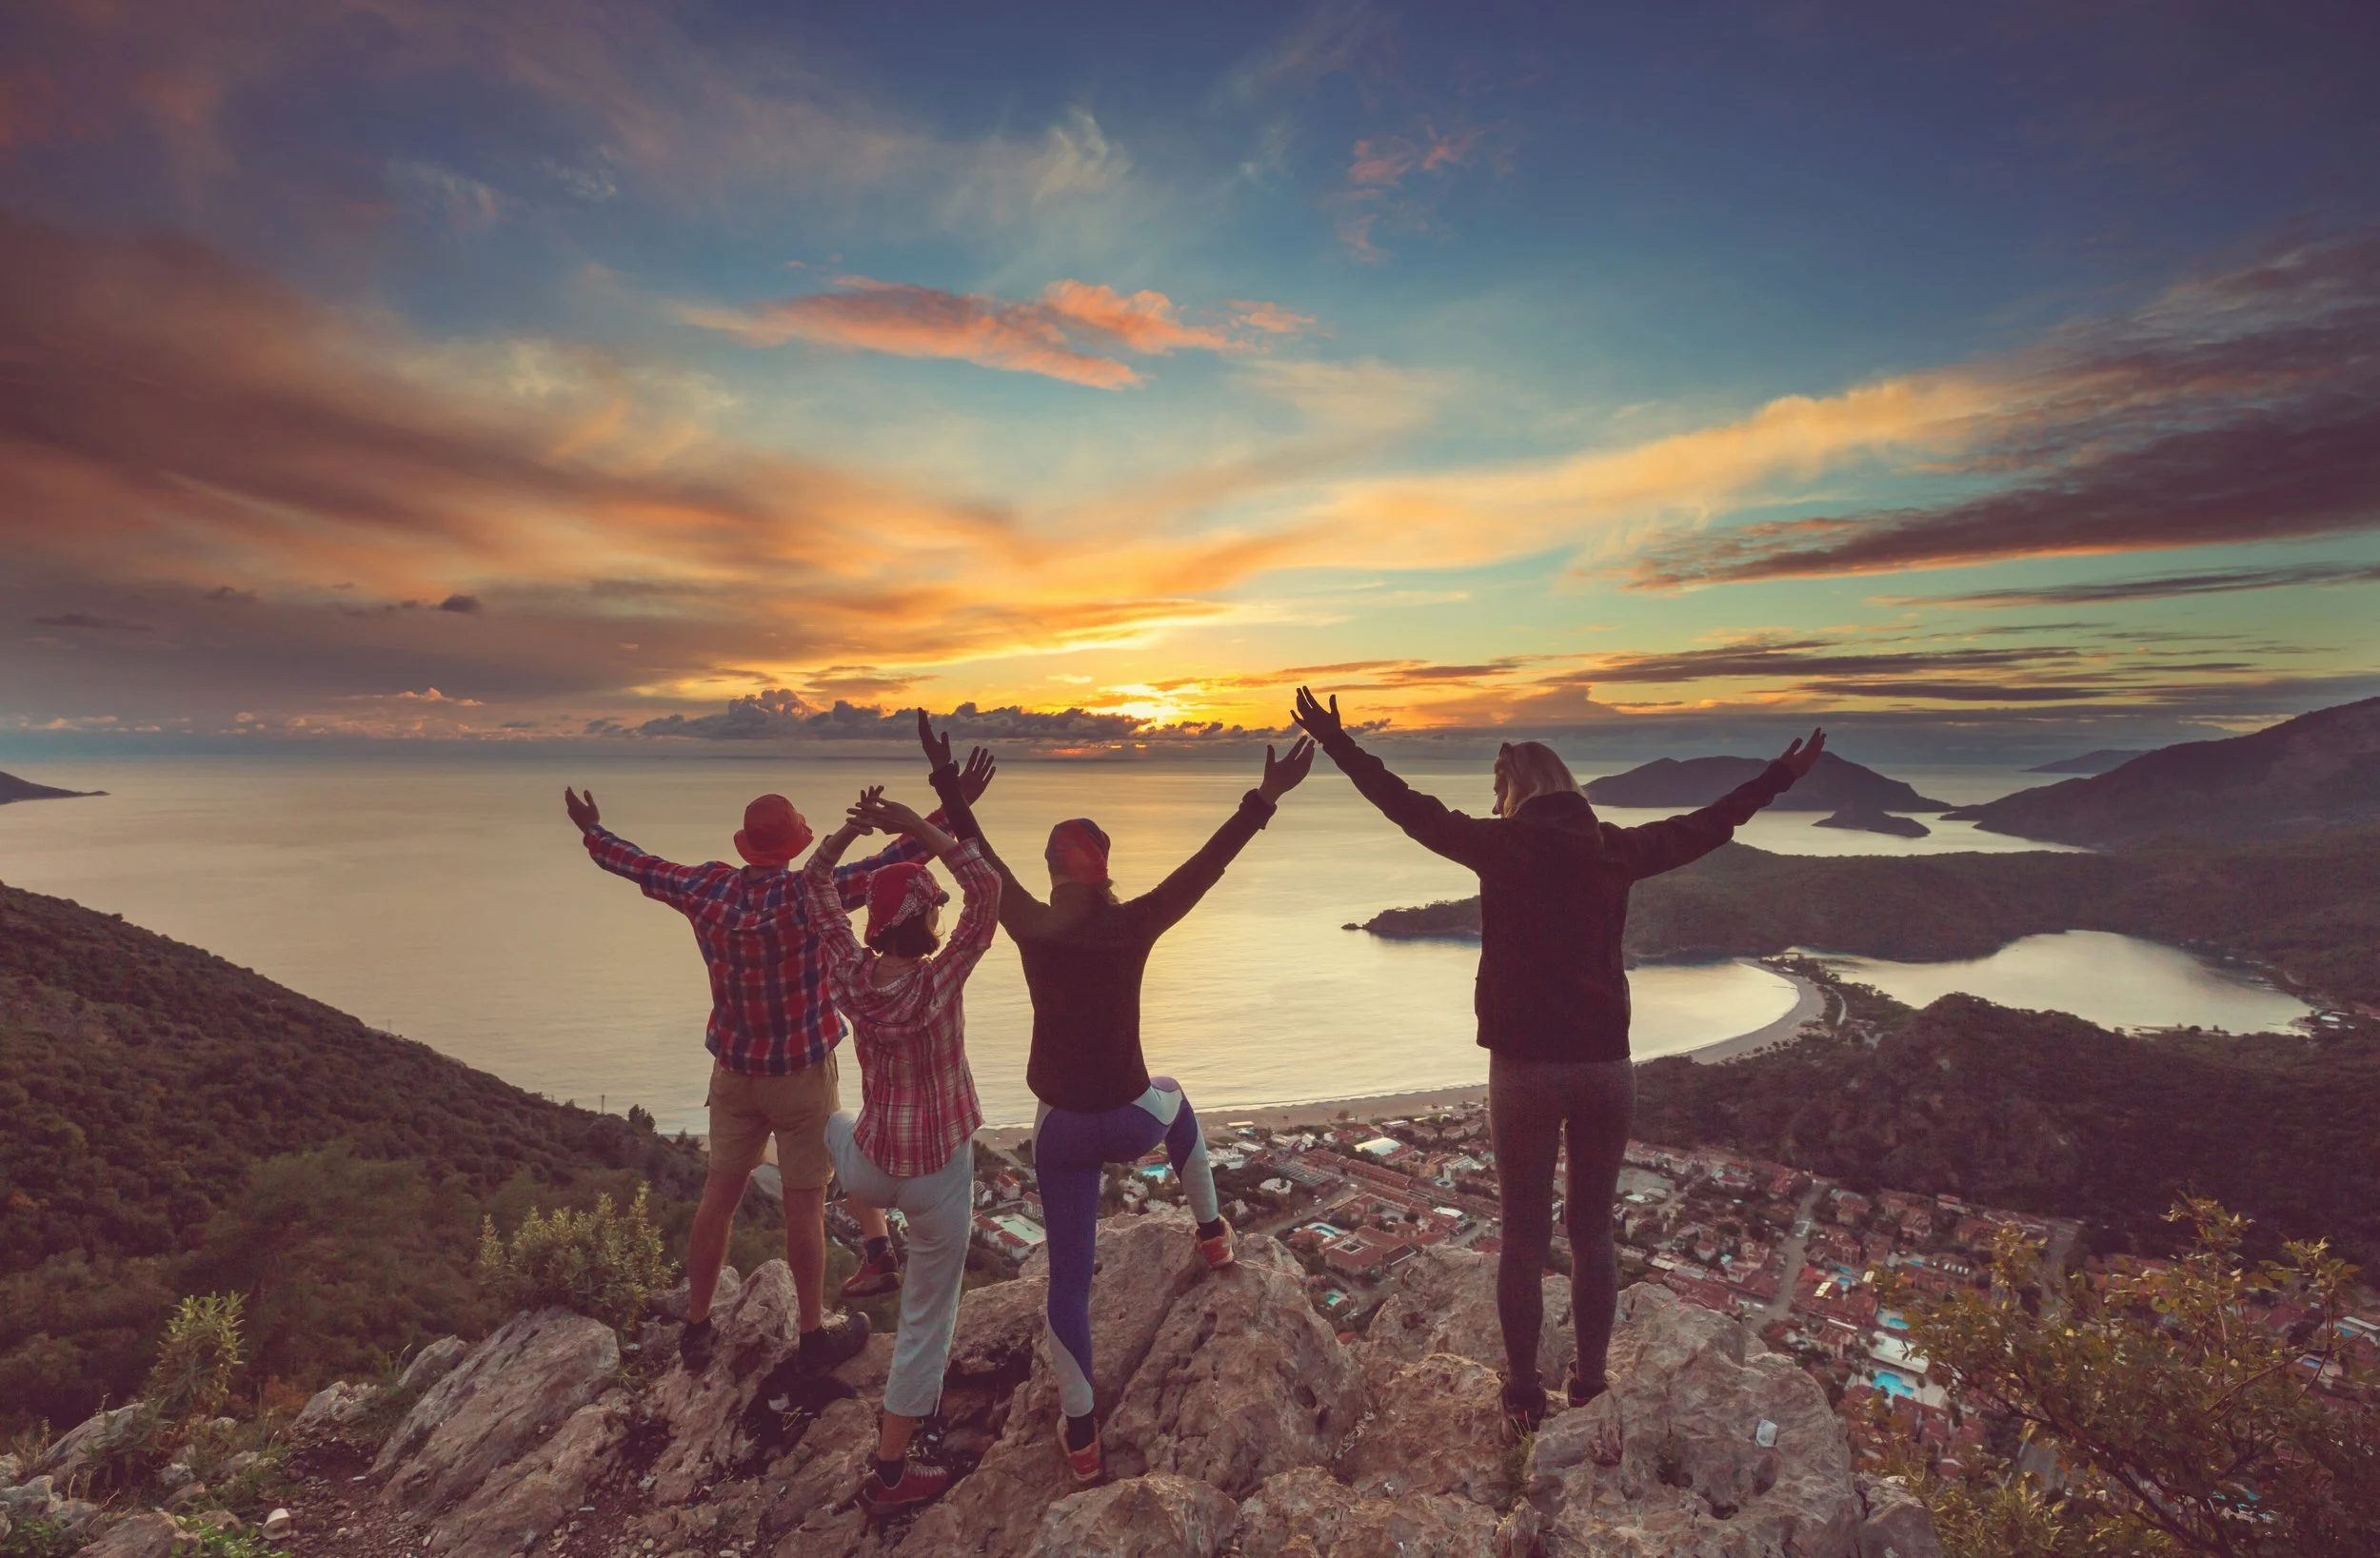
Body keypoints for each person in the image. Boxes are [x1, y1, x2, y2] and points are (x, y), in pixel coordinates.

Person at [1289, 687, 1824, 1438]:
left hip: (1525, 1069)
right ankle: (1591, 1381)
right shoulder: (1616, 848)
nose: (1496, 800)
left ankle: (1521, 1396)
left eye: (1499, 789)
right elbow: (1709, 825)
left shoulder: (1500, 844)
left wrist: (1340, 744)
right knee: (1594, 1231)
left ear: (1515, 789)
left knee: (1521, 1238)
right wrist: (1780, 777)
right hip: (1607, 1065)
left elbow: (1403, 804)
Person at [929, 717, 1317, 1484]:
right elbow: (1207, 866)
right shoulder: (1133, 921)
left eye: (1046, 859)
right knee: (1177, 1098)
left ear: (1056, 870)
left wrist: (949, 789)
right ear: (1103, 868)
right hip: (1132, 1117)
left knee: (1069, 1280)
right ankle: (1213, 1233)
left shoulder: (1034, 927)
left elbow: (976, 862)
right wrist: (1263, 798)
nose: (1041, 868)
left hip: (1063, 1133)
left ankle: (1081, 1437)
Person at [563, 759, 991, 1376]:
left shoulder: (705, 888)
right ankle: (813, 1336)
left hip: (734, 1073)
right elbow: (893, 863)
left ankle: (698, 1323)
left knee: (719, 1196)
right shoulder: (808, 895)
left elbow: (639, 865)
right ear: (795, 845)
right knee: (804, 1208)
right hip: (802, 1074)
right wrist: (952, 807)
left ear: (746, 844)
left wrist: (593, 830)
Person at [800, 771, 1001, 1516]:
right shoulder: (939, 981)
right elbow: (987, 893)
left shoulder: (849, 973)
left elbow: (816, 886)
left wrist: (853, 832)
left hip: (876, 1164)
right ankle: (891, 1472)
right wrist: (920, 821)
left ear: (878, 922)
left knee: (830, 1123)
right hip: (938, 1173)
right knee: (926, 1323)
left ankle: (873, 1245)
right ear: (925, 924)